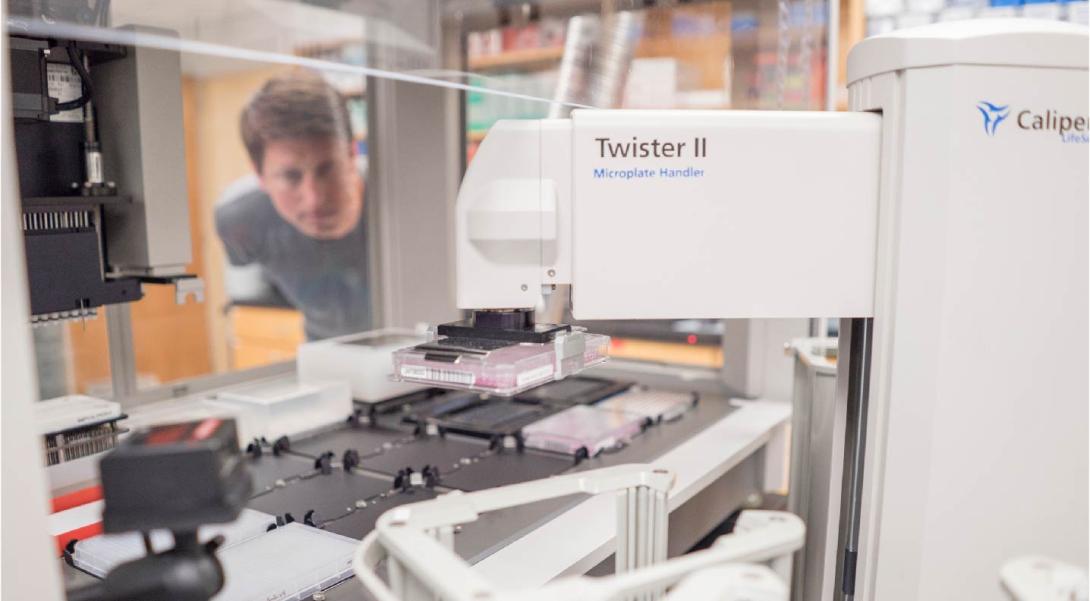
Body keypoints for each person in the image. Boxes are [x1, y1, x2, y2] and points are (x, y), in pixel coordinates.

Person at [215, 70, 371, 340]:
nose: (314, 199)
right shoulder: (241, 220)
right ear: (260, 175)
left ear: (351, 153)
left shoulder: (413, 197)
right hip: (328, 356)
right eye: (290, 177)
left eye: (327, 169)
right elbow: (249, 293)